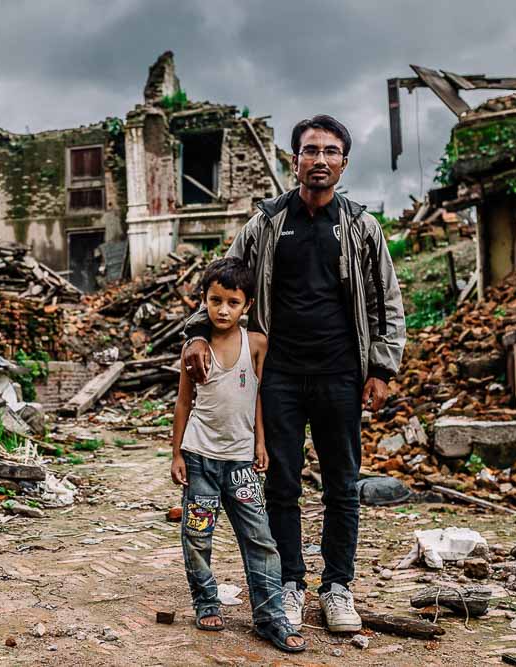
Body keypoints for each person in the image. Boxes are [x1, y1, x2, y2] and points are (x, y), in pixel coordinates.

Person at [181, 115, 406, 633]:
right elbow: (223, 282)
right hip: (277, 375)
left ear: (344, 163)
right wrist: (196, 332)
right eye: (310, 150)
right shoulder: (266, 224)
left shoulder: (360, 227)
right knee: (281, 483)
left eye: (330, 151)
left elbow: (387, 302)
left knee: (342, 486)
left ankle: (338, 588)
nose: (320, 159)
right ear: (294, 159)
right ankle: (289, 585)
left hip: (341, 374)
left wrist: (382, 368)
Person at [171, 257, 306, 653]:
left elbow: (258, 397)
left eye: (232, 302)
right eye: (215, 300)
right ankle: (206, 601)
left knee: (260, 538)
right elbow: (182, 404)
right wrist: (176, 453)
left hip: (242, 462)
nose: (223, 309)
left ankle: (270, 617)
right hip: (199, 459)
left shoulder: (257, 343)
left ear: (246, 305)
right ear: (203, 302)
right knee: (197, 535)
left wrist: (260, 443)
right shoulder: (194, 349)